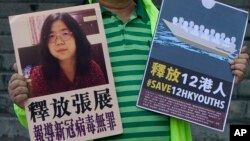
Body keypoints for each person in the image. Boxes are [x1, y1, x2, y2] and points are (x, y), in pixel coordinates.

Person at [8, 0, 249, 141]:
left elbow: (200, 90)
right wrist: (23, 103)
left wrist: (225, 73)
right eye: (52, 37)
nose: (59, 40)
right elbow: (45, 122)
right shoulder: (76, 25)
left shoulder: (168, 23)